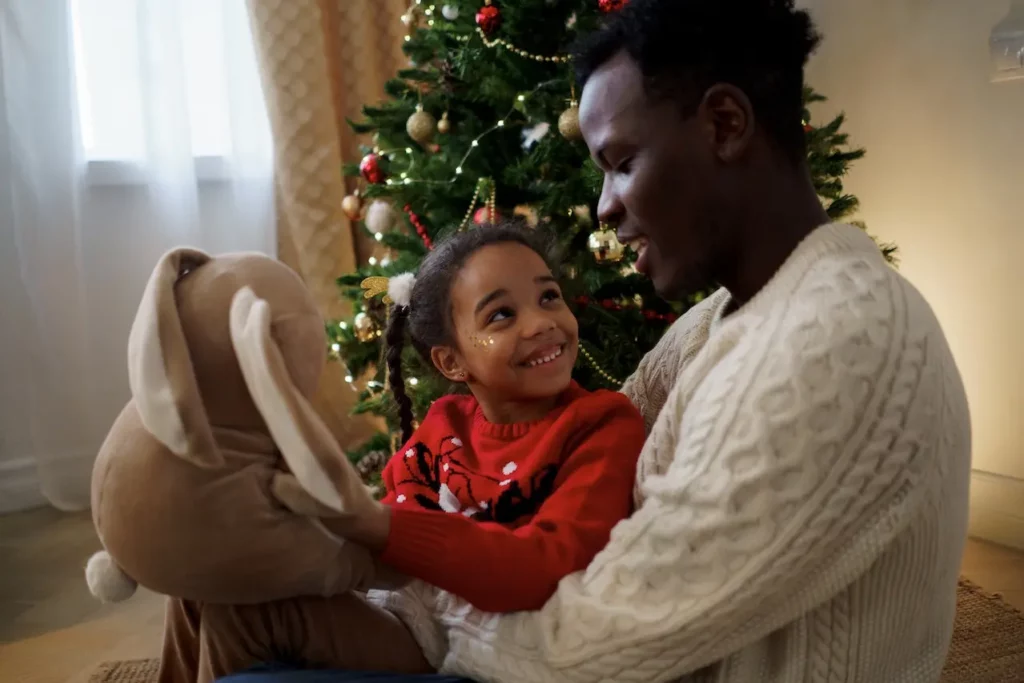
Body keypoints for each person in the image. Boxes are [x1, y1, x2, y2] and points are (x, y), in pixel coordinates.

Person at [221, 0, 973, 681]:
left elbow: (599, 644)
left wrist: (428, 617)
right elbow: (583, 466)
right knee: (235, 613)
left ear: (725, 124)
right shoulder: (728, 316)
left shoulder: (831, 342)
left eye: (620, 164)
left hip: (586, 660)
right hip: (572, 643)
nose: (604, 208)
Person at [159, 224, 646, 683]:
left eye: (549, 297)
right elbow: (398, 511)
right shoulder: (444, 425)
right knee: (206, 578)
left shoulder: (601, 424)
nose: (543, 323)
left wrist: (378, 529)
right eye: (502, 315)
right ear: (452, 361)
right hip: (402, 605)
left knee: (244, 618)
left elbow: (548, 564)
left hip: (457, 641)